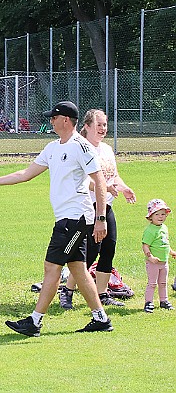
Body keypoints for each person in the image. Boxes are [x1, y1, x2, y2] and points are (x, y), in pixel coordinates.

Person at [0, 101, 113, 336]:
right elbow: (26, 174)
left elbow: (100, 181)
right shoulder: (52, 148)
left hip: (75, 219)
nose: (50, 121)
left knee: (52, 267)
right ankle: (101, 318)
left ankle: (35, 321)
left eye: (54, 117)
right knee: (78, 269)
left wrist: (101, 218)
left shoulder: (82, 147)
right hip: (65, 218)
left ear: (66, 120)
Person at [58, 109, 136, 309]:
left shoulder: (107, 150)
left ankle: (101, 293)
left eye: (105, 125)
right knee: (90, 252)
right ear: (87, 126)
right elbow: (85, 181)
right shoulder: (83, 148)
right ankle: (67, 291)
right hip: (88, 207)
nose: (103, 129)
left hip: (106, 205)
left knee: (109, 247)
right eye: (99, 125)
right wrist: (104, 187)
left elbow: (113, 176)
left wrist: (123, 187)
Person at [142, 199, 176, 312]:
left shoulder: (164, 228)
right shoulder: (150, 230)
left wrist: (171, 252)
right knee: (152, 283)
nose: (161, 217)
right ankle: (148, 302)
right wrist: (150, 257)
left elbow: (165, 243)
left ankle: (164, 301)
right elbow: (145, 245)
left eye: (163, 214)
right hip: (153, 263)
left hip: (164, 262)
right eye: (157, 214)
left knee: (163, 282)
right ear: (150, 216)